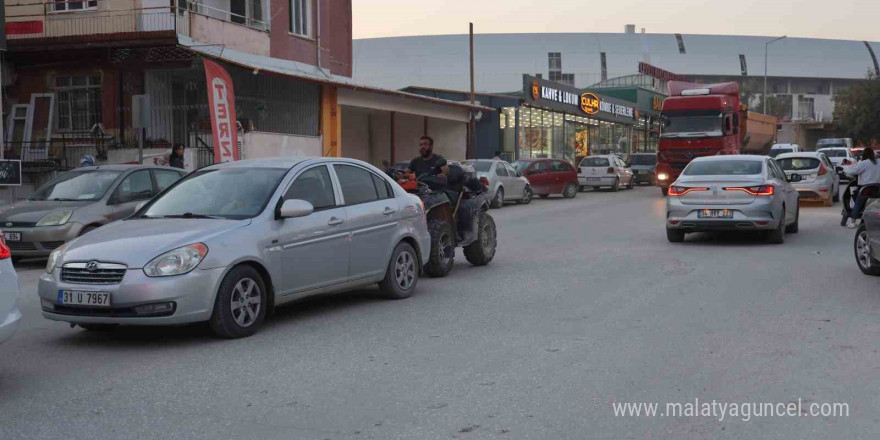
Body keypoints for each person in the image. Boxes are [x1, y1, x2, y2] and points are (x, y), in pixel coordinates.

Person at [844, 147, 880, 228]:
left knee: (858, 202)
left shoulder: (864, 163)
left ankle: (853, 222)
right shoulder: (879, 162)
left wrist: (844, 171)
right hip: (878, 188)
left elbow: (854, 171)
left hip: (866, 188)